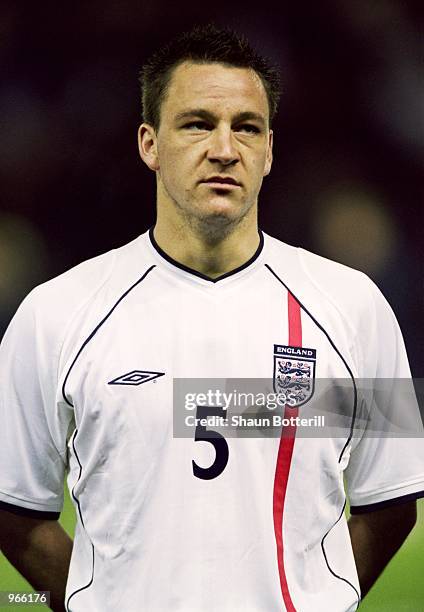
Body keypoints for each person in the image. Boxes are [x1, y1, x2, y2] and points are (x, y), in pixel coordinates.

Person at [0, 24, 423, 612]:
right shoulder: (54, 313)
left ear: (269, 150)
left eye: (246, 127)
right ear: (149, 143)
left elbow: (394, 501)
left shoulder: (357, 305)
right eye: (198, 123)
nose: (225, 148)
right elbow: (14, 510)